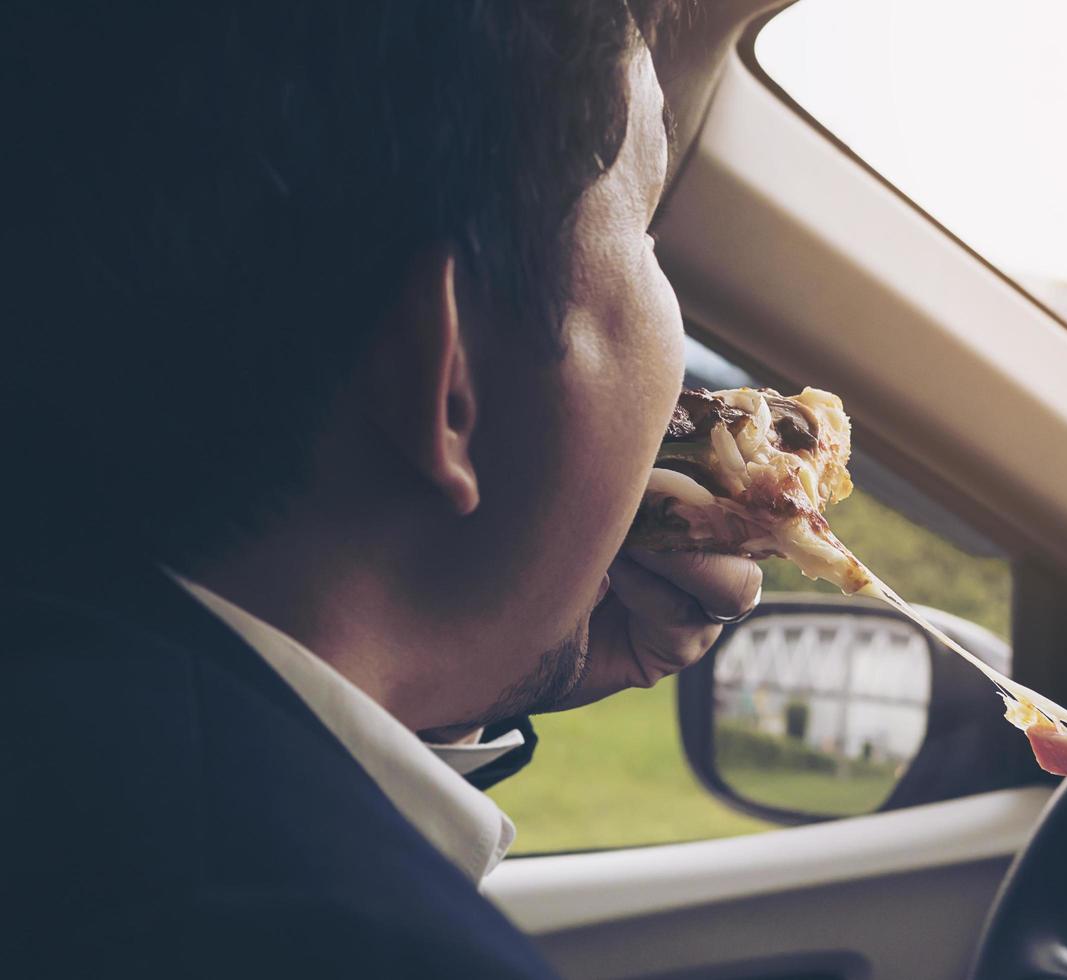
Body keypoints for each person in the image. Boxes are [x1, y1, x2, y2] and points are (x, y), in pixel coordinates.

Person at [0, 2, 761, 976]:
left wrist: (460, 667)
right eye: (645, 234)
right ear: (444, 383)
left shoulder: (71, 723)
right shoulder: (338, 941)